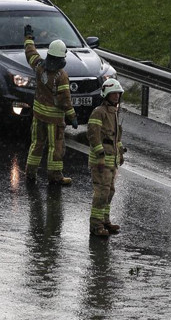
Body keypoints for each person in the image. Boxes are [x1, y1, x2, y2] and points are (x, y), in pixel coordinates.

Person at [24, 25, 78, 185]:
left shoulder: (40, 66)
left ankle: (30, 173)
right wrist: (72, 116)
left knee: (37, 144)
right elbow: (64, 100)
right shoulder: (61, 76)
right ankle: (55, 176)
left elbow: (30, 54)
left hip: (38, 115)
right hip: (54, 120)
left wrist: (28, 38)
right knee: (56, 147)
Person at [87, 79, 126, 237]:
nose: (116, 96)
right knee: (101, 193)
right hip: (101, 161)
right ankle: (96, 225)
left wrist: (120, 153)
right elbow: (93, 135)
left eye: (118, 93)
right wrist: (100, 156)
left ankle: (104, 220)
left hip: (112, 160)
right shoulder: (99, 112)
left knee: (109, 191)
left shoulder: (114, 113)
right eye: (113, 93)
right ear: (106, 95)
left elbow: (116, 137)